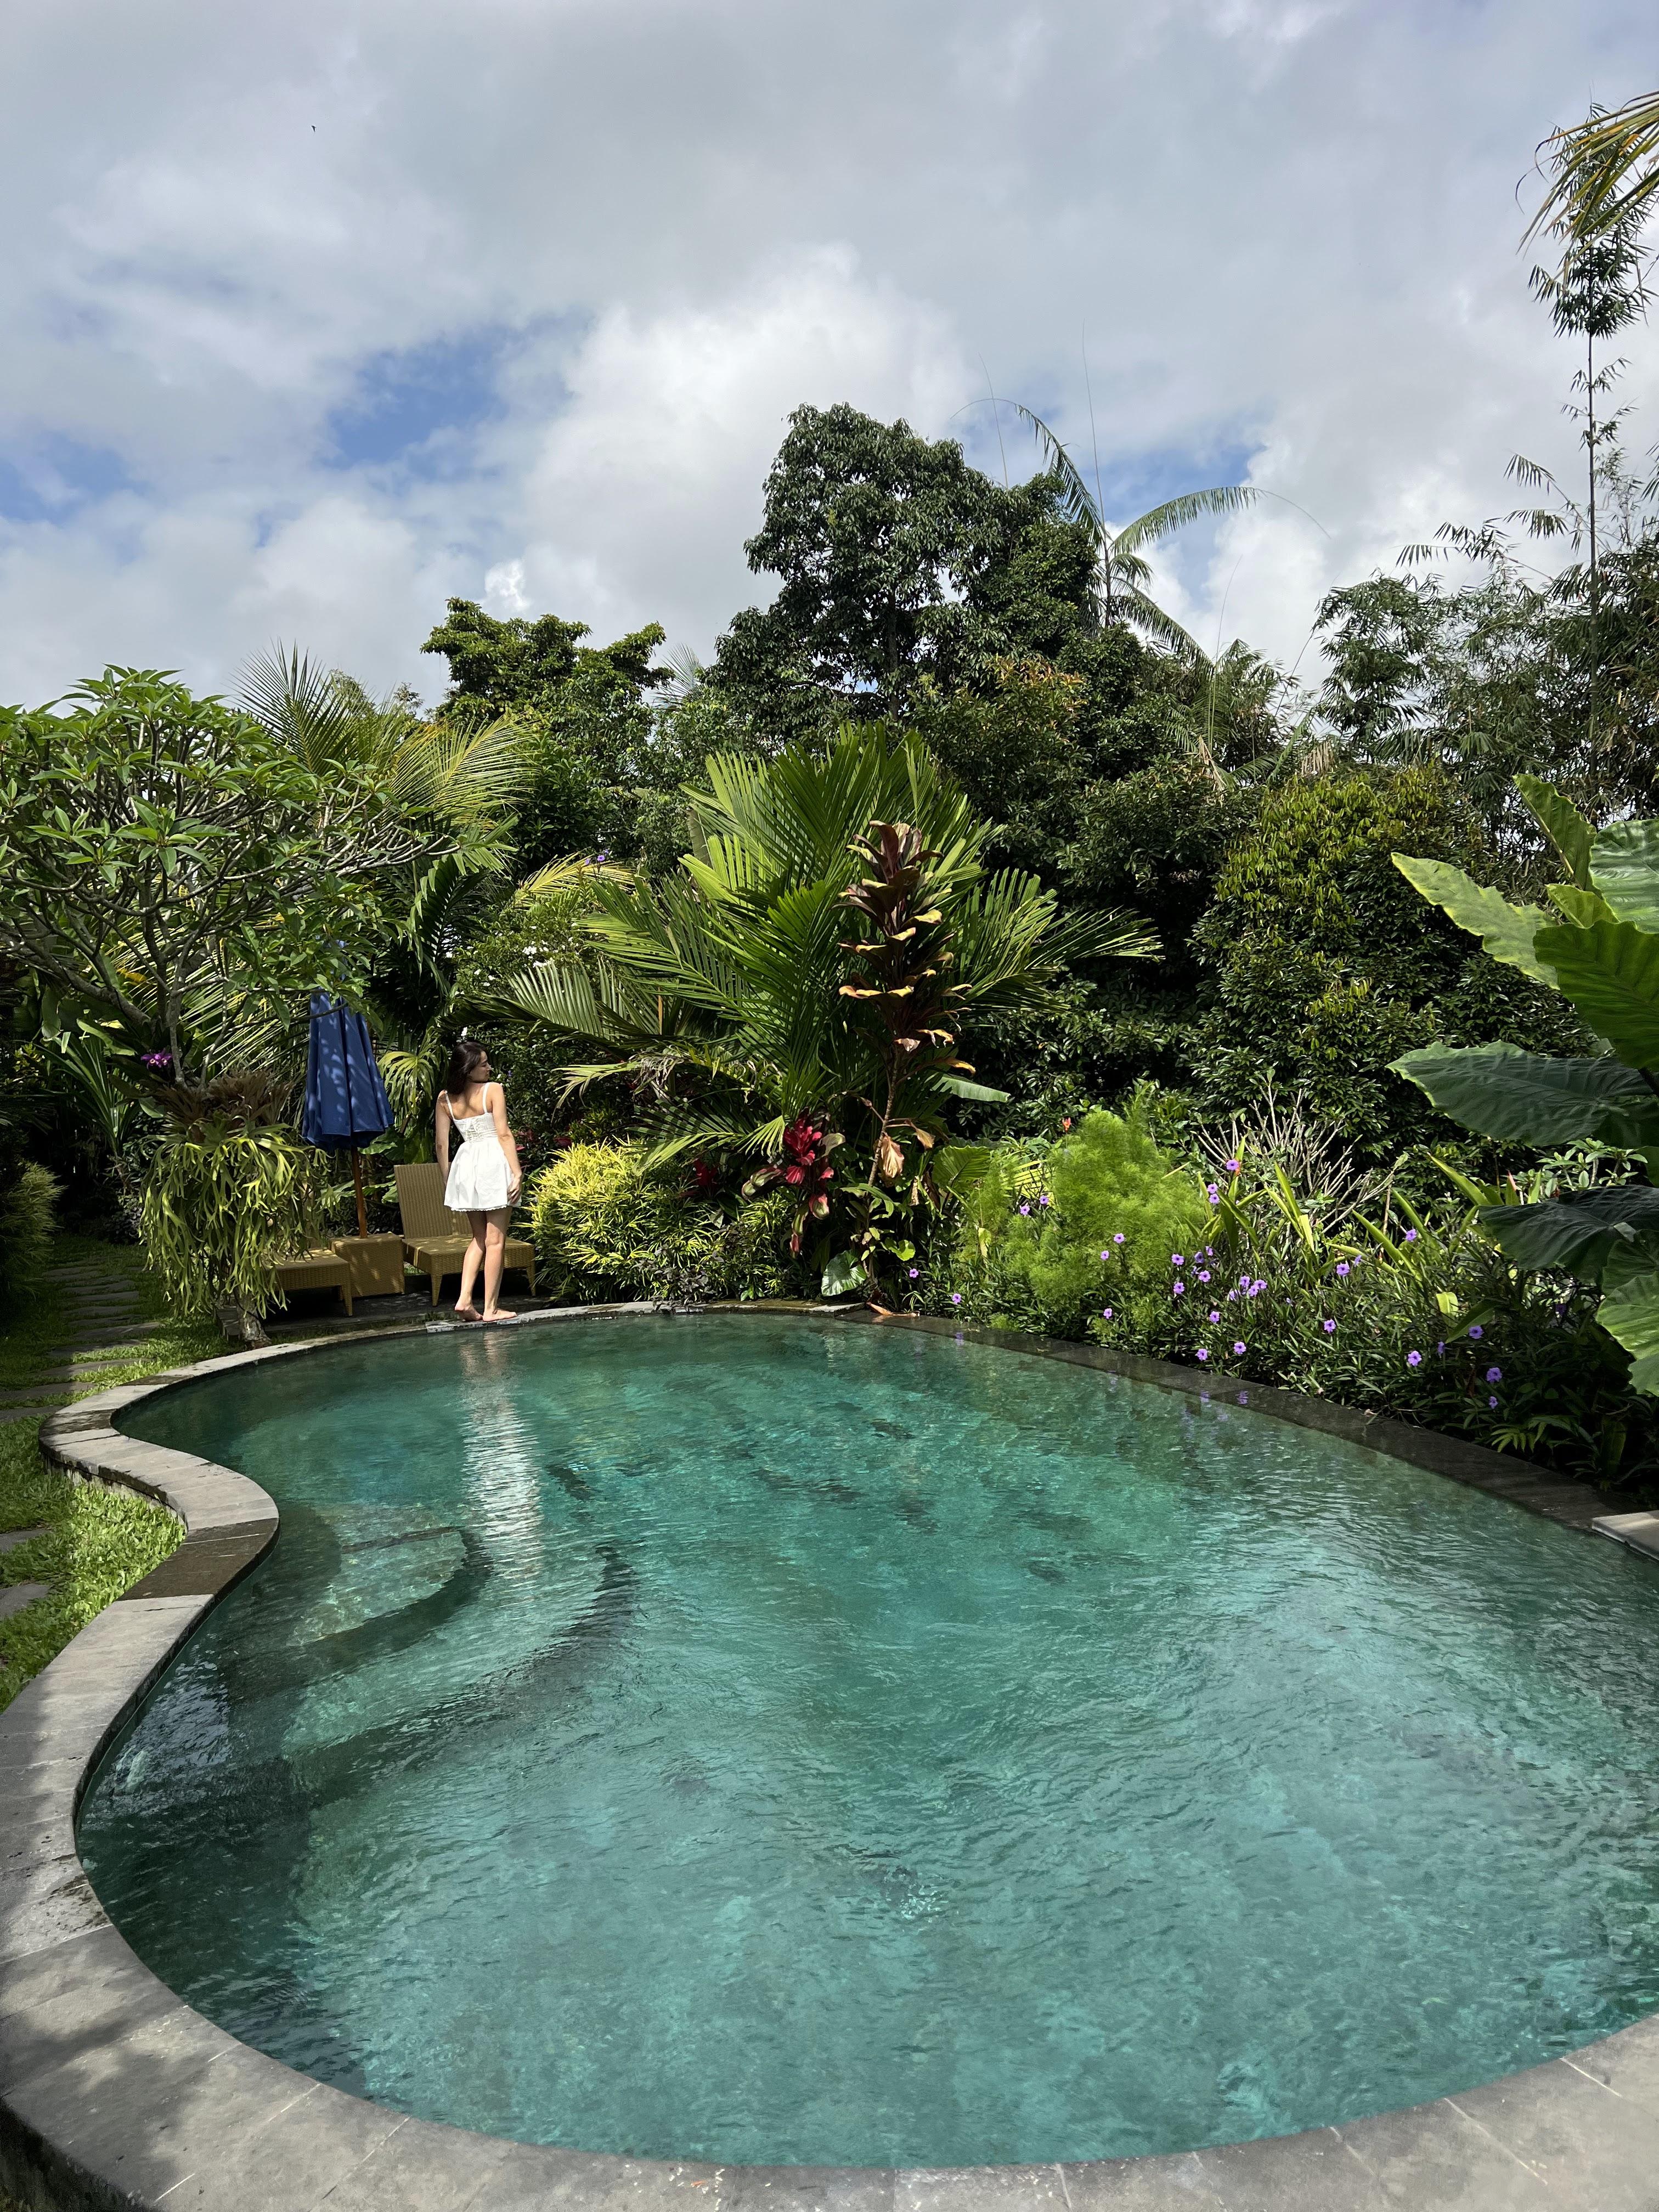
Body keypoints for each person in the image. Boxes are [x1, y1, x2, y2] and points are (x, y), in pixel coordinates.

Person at [436, 1039, 523, 1323]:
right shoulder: (493, 1090)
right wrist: (517, 1172)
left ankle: (464, 1300)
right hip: (493, 1164)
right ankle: (491, 1309)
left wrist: (449, 1179)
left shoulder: (445, 1099)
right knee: (495, 1240)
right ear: (468, 1069)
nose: (489, 1068)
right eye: (483, 1064)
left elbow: (441, 1145)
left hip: (466, 1166)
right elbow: (504, 1134)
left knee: (479, 1239)